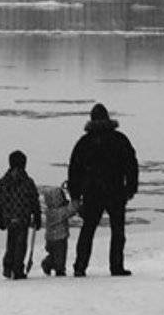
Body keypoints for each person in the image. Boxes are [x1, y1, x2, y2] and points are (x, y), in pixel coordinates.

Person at [68, 103, 139, 277]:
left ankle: (80, 266)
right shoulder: (120, 139)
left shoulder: (84, 143)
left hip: (92, 193)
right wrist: (130, 188)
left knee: (88, 230)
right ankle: (116, 267)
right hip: (116, 192)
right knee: (118, 231)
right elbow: (131, 165)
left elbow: (74, 170)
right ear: (107, 118)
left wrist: (75, 195)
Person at [0, 149, 42, 280]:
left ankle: (8, 267)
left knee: (11, 242)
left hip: (9, 217)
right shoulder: (28, 182)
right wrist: (37, 216)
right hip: (23, 217)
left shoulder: (4, 181)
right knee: (20, 244)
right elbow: (34, 200)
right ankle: (17, 269)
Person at [38, 181, 80, 277]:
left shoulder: (49, 211)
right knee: (60, 255)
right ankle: (59, 268)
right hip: (60, 238)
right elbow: (71, 210)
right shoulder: (59, 212)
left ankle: (50, 263)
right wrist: (76, 202)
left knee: (53, 254)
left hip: (50, 238)